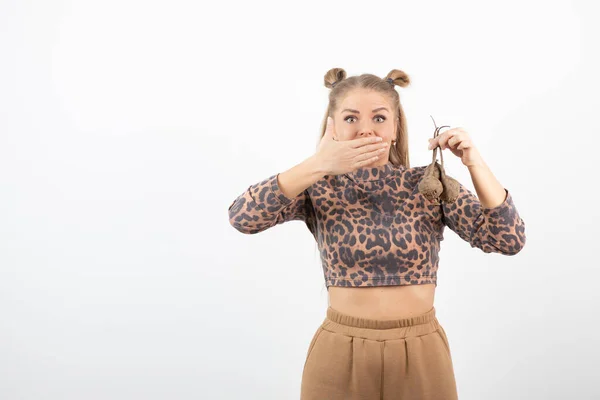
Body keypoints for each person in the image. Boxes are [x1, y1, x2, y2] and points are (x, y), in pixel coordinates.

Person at [227, 68, 526, 400]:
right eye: (351, 119)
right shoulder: (316, 187)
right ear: (333, 128)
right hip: (339, 352)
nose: (365, 129)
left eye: (379, 118)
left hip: (421, 351)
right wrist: (318, 164)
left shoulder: (429, 185)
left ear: (396, 128)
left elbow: (507, 239)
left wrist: (474, 162)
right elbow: (243, 217)